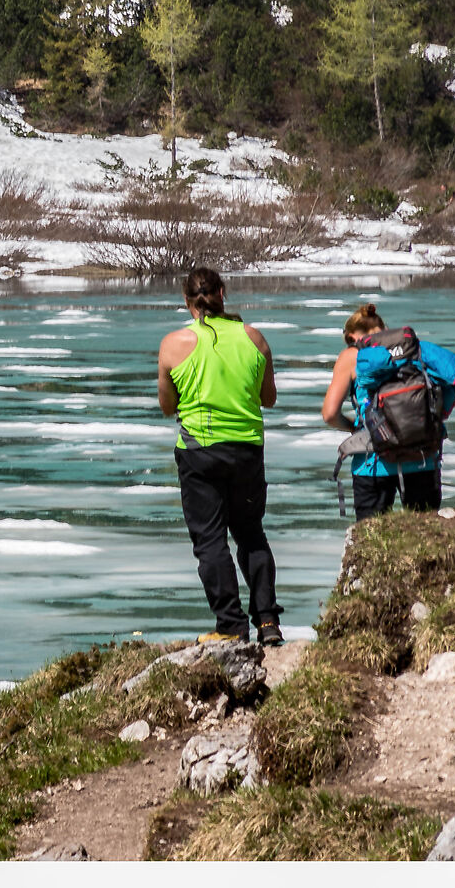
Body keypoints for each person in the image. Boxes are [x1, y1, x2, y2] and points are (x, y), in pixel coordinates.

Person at [156, 266, 283, 646]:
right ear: (223, 293)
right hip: (246, 449)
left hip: (199, 453)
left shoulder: (173, 345)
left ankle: (231, 626)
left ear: (186, 301)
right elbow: (268, 398)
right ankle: (267, 622)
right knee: (250, 533)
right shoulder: (253, 338)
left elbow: (167, 406)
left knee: (210, 542)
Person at [322, 303, 455, 520]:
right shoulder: (416, 349)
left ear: (352, 336)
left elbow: (329, 414)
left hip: (371, 460)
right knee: (424, 535)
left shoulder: (351, 356)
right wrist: (428, 420)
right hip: (423, 456)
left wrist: (354, 427)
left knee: (369, 542)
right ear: (384, 326)